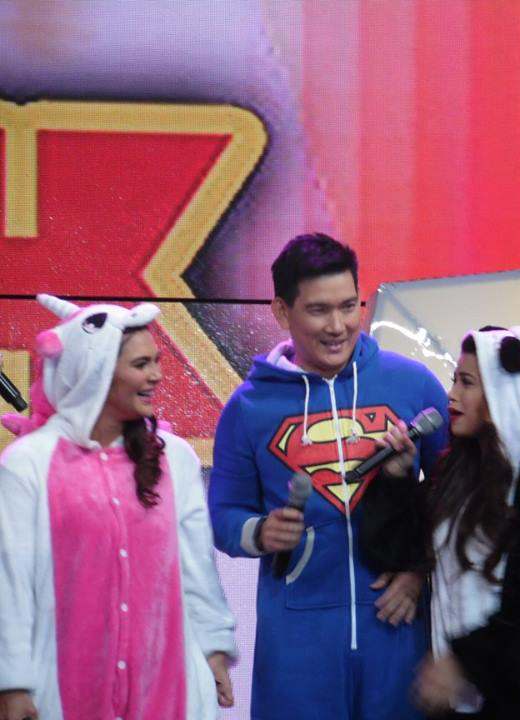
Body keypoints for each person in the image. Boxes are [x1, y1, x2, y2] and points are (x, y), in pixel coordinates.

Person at [208, 233, 449, 720]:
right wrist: (262, 532)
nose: (338, 326)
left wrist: (419, 568)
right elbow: (224, 516)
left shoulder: (414, 384)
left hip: (397, 630)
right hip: (296, 644)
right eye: (319, 310)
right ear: (281, 311)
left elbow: (458, 493)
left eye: (348, 306)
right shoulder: (248, 408)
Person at [0, 294, 236, 720]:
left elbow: (196, 570)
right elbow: (11, 583)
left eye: (156, 361)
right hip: (66, 693)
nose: (157, 375)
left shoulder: (175, 458)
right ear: (95, 371)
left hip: (168, 689)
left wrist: (214, 649)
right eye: (141, 364)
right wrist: (12, 684)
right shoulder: (27, 464)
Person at [380, 325, 520, 719]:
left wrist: (463, 661)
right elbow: (400, 551)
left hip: (519, 703)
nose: (451, 395)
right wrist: (396, 479)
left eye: (467, 382)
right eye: (454, 379)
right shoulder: (457, 470)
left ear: (504, 390)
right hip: (456, 702)